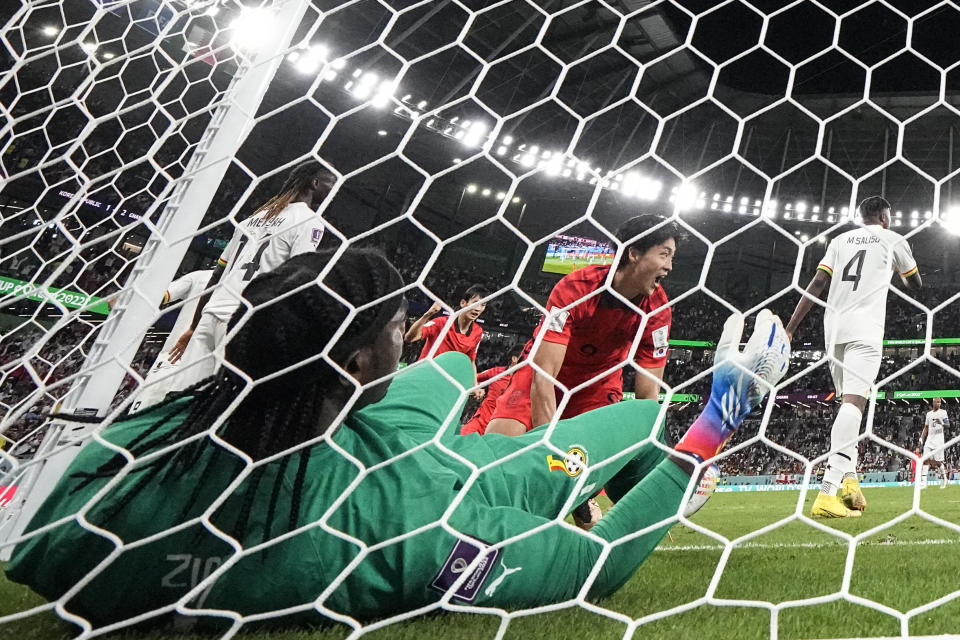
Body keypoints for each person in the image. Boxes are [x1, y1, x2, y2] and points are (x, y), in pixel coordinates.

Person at [6, 248, 790, 629]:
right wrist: (716, 428)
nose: (408, 331)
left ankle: (675, 437)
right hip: (464, 489)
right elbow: (595, 569)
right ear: (352, 361)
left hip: (362, 438)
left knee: (449, 369)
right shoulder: (407, 537)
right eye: (395, 329)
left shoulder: (135, 452)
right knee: (654, 426)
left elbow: (42, 550)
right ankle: (710, 425)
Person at [485, 214, 679, 527]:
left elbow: (647, 400)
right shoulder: (576, 287)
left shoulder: (658, 310)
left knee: (582, 504)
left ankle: (581, 507)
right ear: (634, 253)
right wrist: (552, 459)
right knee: (496, 460)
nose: (670, 267)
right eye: (664, 254)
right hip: (542, 376)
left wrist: (646, 466)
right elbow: (544, 375)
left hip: (598, 387)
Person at [785, 195, 921, 518]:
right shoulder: (892, 239)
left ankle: (850, 482)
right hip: (865, 330)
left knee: (848, 404)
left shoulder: (840, 239)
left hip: (832, 329)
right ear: (884, 216)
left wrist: (791, 329)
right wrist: (898, 272)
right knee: (854, 405)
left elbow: (818, 283)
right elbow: (916, 283)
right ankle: (827, 491)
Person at [166, 161, 333, 391]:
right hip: (244, 318)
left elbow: (218, 274)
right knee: (221, 398)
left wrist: (194, 325)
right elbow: (297, 278)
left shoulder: (254, 218)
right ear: (315, 183)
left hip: (212, 312)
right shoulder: (309, 222)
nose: (333, 189)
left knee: (182, 392)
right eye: (330, 183)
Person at [129, 269, 213, 413]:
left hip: (178, 360)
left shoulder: (201, 276)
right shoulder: (203, 277)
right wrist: (131, 299)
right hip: (196, 365)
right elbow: (164, 294)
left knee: (143, 414)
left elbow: (162, 295)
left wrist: (130, 300)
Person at [404, 284, 488, 363]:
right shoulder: (441, 322)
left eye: (483, 305)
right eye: (475, 303)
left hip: (448, 377)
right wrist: (427, 315)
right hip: (426, 374)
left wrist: (473, 378)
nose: (478, 308)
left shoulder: (478, 332)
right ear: (463, 303)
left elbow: (470, 361)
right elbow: (409, 338)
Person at [460, 345, 524, 435]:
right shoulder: (496, 372)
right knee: (463, 439)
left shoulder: (525, 382)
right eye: (526, 357)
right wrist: (476, 388)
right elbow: (473, 377)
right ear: (514, 359)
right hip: (481, 421)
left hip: (500, 428)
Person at [920, 397, 949, 489]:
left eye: (940, 402)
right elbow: (926, 427)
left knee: (937, 462)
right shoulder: (928, 414)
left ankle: (944, 478)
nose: (939, 404)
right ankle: (924, 483)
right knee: (925, 459)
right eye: (937, 402)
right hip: (929, 440)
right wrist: (921, 438)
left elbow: (948, 425)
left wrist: (942, 423)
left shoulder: (943, 413)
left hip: (939, 440)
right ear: (933, 403)